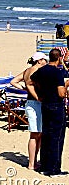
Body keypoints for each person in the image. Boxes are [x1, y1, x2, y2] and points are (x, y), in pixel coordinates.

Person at [30, 48, 69, 177]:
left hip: (45, 104)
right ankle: (53, 169)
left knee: (46, 134)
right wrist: (67, 84)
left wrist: (41, 92)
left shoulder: (42, 70)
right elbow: (61, 93)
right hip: (56, 105)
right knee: (57, 137)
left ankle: (45, 165)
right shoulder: (57, 73)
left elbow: (32, 80)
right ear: (59, 58)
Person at [10, 52, 48, 170]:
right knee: (35, 134)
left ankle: (33, 161)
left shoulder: (27, 71)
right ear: (39, 61)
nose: (46, 62)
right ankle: (31, 163)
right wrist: (29, 89)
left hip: (30, 103)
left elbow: (13, 81)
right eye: (44, 60)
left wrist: (25, 89)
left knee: (37, 134)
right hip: (36, 103)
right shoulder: (37, 71)